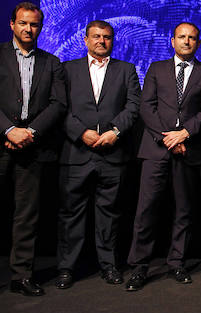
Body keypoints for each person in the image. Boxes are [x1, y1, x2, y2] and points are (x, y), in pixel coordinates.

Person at [0, 2, 67, 307]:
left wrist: (30, 133)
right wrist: (8, 131)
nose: (28, 29)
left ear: (40, 28)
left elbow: (58, 104)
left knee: (27, 218)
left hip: (32, 149)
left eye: (33, 25)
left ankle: (21, 276)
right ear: (12, 25)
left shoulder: (52, 62)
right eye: (23, 23)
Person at [125, 22, 201, 291]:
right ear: (172, 40)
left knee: (184, 210)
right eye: (182, 37)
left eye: (192, 38)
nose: (187, 42)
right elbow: (146, 107)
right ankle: (139, 267)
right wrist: (167, 138)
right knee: (146, 209)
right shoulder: (156, 69)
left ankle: (176, 262)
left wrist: (184, 134)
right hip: (157, 149)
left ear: (198, 43)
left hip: (188, 150)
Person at [56, 20, 141, 289]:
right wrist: (81, 132)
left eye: (106, 37)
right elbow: (60, 107)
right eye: (96, 36)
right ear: (85, 40)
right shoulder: (68, 69)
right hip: (76, 152)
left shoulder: (126, 70)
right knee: (71, 213)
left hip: (112, 151)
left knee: (110, 213)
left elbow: (133, 105)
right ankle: (67, 268)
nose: (101, 41)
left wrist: (115, 131)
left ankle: (109, 266)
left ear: (112, 40)